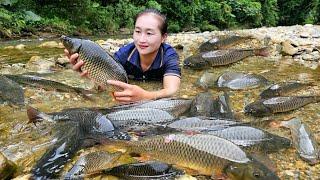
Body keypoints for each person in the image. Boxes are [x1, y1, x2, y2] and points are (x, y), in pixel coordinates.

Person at [64, 9, 181, 104]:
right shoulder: (125, 54)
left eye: (149, 33)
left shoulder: (169, 55)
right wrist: (92, 73)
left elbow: (172, 90)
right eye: (138, 31)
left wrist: (146, 96)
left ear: (163, 37)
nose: (141, 39)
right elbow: (105, 85)